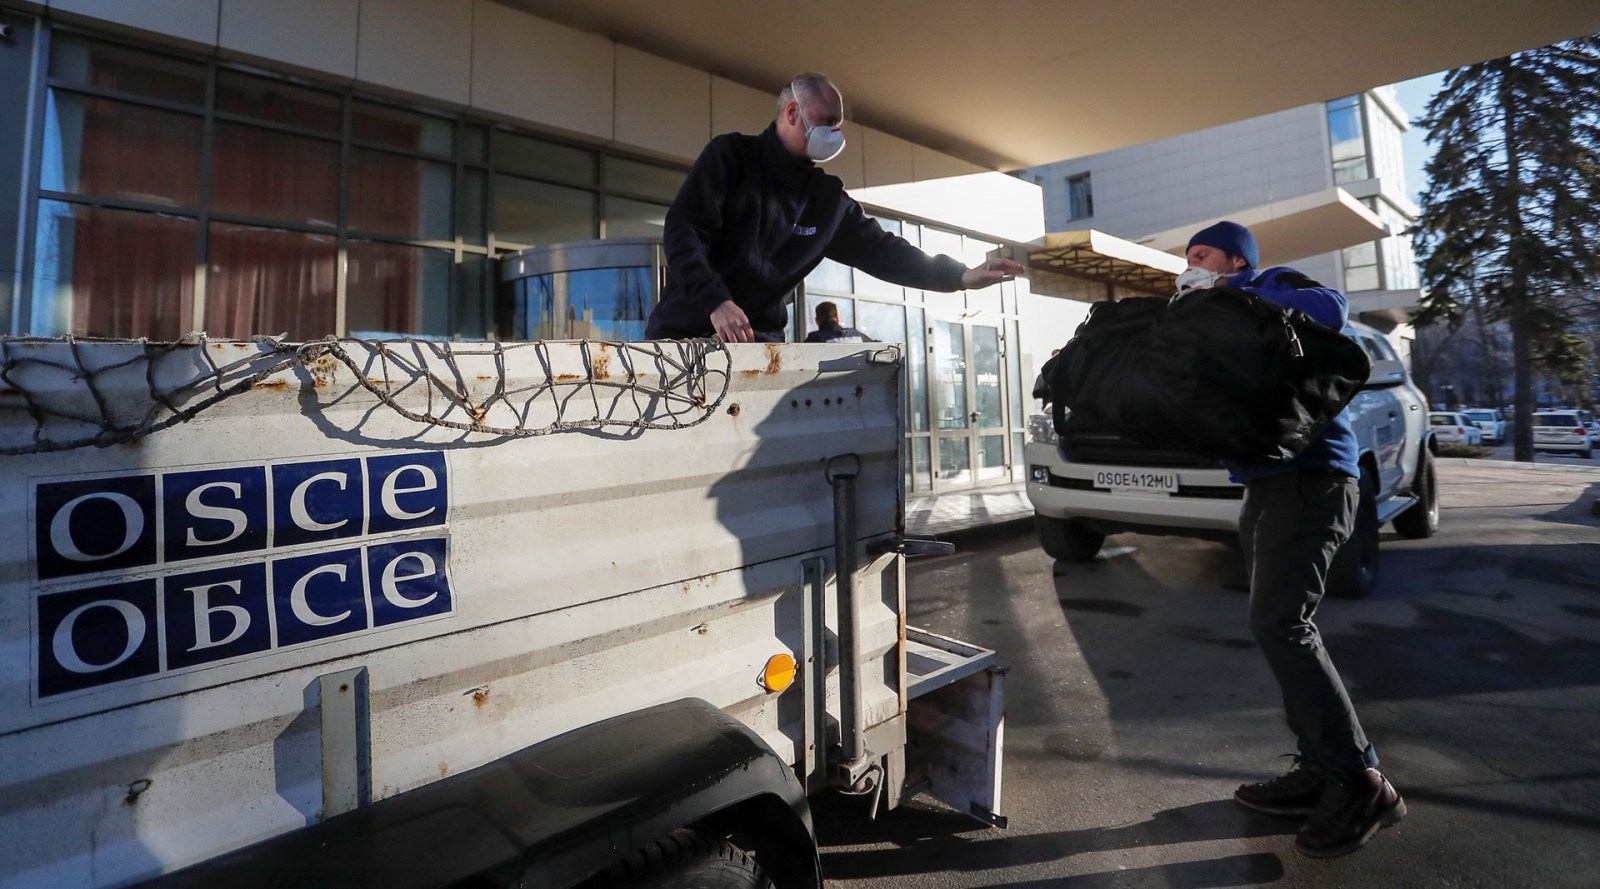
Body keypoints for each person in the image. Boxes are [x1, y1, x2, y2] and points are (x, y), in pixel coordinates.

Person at [1183, 221, 1406, 858]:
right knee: (1275, 625)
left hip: (1315, 478)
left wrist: (1240, 292)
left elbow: (1330, 308)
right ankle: (1318, 767)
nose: (1191, 265)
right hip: (1266, 485)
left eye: (1202, 255)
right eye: (1189, 258)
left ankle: (1361, 781)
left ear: (1235, 259)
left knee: (1282, 624)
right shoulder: (1216, 314)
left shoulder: (1270, 285)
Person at [644, 72, 1023, 343]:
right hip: (683, 336)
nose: (836, 134)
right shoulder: (731, 157)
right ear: (793, 113)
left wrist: (959, 276)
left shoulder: (826, 200)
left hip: (758, 346)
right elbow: (684, 231)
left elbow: (884, 251)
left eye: (839, 125)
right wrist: (716, 301)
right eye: (827, 122)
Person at [803, 301, 873, 343]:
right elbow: (878, 346)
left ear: (817, 321)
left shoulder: (814, 339)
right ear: (837, 316)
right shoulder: (856, 335)